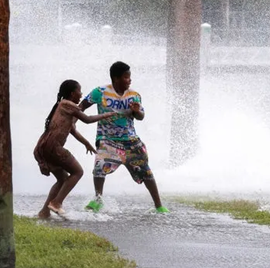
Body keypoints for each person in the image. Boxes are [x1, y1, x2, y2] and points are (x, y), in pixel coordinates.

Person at [79, 61, 169, 213]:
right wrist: (71, 121)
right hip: (108, 139)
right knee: (99, 166)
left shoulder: (134, 96)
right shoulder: (100, 92)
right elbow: (81, 107)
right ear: (116, 78)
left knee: (146, 172)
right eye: (126, 77)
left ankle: (159, 206)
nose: (129, 80)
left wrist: (136, 111)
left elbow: (141, 117)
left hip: (130, 141)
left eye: (130, 77)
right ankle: (98, 200)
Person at [34, 79, 116, 218]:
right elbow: (88, 119)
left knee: (62, 179)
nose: (81, 94)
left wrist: (86, 143)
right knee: (78, 172)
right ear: (72, 93)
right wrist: (107, 114)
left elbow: (72, 130)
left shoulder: (63, 107)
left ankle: (44, 212)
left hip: (43, 147)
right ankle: (56, 203)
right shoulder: (68, 104)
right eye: (79, 91)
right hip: (53, 147)